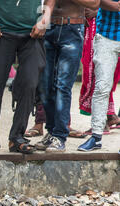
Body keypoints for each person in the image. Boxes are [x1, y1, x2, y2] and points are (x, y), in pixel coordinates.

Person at [0, 0, 55, 154]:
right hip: (1, 33)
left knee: (30, 83)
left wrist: (45, 19)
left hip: (32, 33)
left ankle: (17, 138)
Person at [36, 0, 100, 153]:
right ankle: (51, 131)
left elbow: (94, 3)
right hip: (49, 25)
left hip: (71, 27)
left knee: (63, 85)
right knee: (44, 85)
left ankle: (60, 136)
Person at [78, 0, 120, 151]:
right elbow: (95, 2)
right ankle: (96, 137)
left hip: (106, 35)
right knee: (101, 87)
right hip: (106, 37)